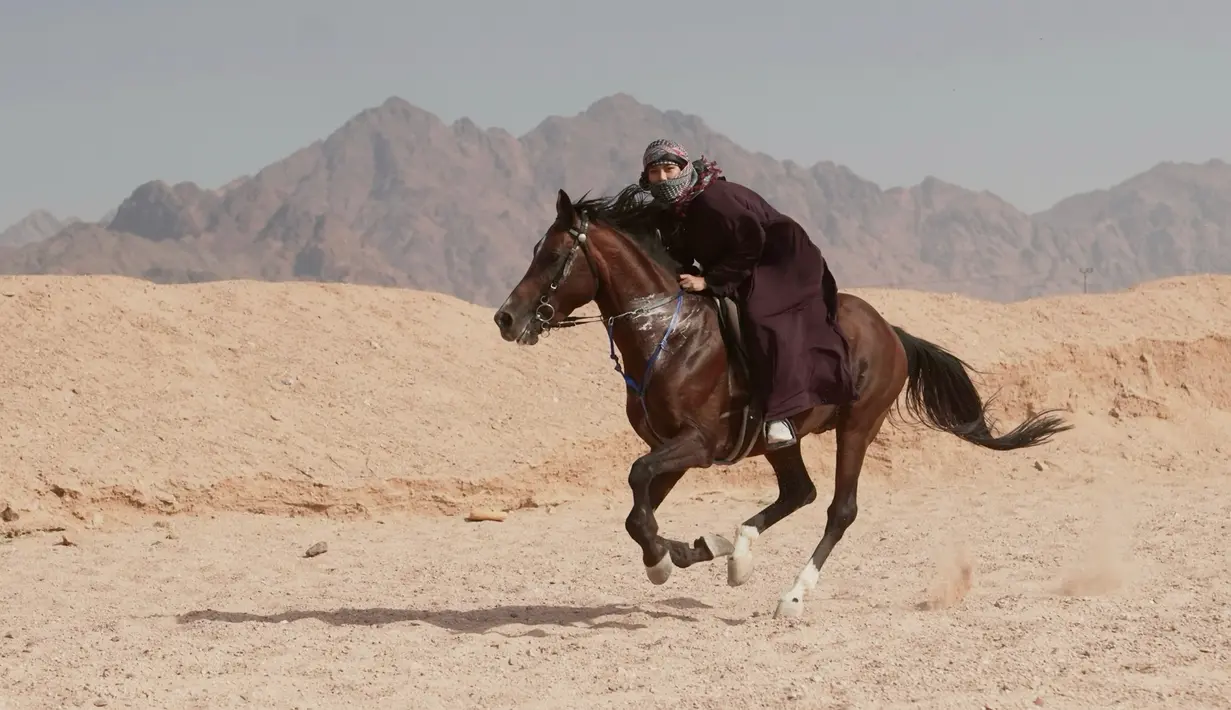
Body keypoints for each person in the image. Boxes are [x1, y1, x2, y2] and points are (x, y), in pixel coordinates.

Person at [637, 138, 856, 450]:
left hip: (778, 258)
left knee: (761, 316)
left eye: (669, 169)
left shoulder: (714, 199)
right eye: (655, 172)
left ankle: (781, 416)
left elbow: (752, 241)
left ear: (684, 169)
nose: (663, 179)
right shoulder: (669, 209)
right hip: (736, 260)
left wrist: (709, 282)